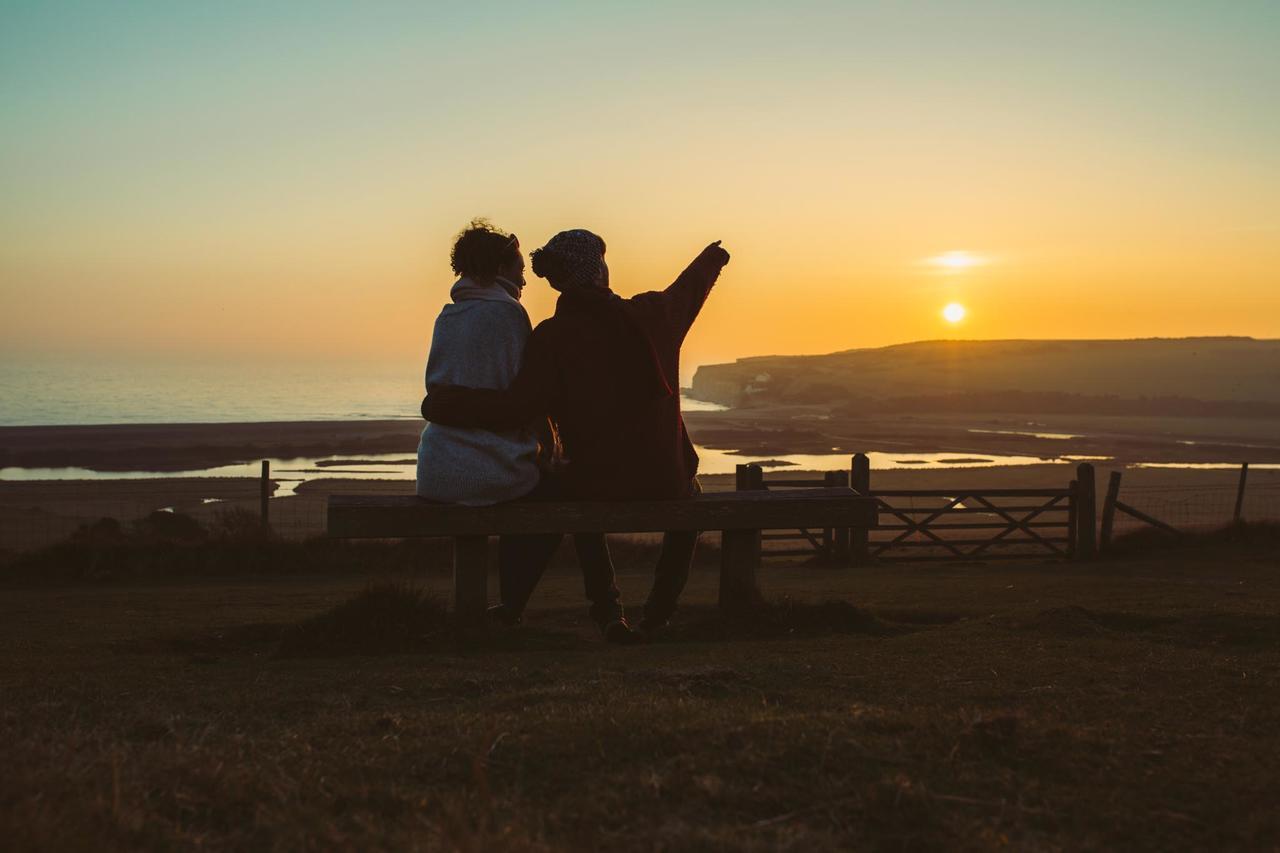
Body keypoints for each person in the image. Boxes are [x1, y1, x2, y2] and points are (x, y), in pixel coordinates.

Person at [423, 229, 730, 636]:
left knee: (576, 491)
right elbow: (687, 291)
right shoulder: (653, 316)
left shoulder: (551, 336)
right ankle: (658, 616)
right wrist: (711, 260)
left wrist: (441, 404)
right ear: (599, 270)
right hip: (664, 480)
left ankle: (607, 613)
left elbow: (520, 405)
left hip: (593, 480)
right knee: (692, 501)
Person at [416, 220, 627, 639]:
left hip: (436, 470)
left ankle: (515, 608)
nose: (525, 277)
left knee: (538, 491)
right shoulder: (508, 313)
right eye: (518, 267)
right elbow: (525, 397)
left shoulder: (448, 316)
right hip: (483, 471)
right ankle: (597, 610)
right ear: (498, 269)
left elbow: (442, 392)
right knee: (569, 495)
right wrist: (549, 444)